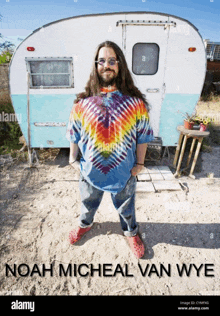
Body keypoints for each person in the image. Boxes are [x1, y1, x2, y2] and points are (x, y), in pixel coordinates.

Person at [66, 41, 154, 258]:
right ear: (96, 66)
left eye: (112, 60)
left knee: (126, 207)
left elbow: (143, 135)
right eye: (102, 61)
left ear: (120, 64)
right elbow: (74, 132)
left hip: (124, 172)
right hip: (89, 171)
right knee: (88, 203)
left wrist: (140, 164)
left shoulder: (135, 103)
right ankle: (85, 224)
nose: (107, 65)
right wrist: (72, 159)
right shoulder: (83, 103)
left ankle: (131, 232)